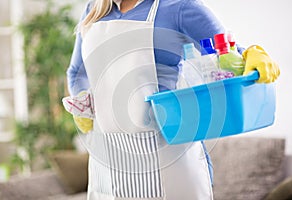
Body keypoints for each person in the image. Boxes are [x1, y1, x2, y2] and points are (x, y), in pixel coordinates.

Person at [66, 0, 280, 199]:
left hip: (169, 155)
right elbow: (77, 72)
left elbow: (225, 50)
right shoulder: (94, 9)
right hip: (107, 161)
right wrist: (82, 101)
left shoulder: (178, 6)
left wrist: (251, 55)